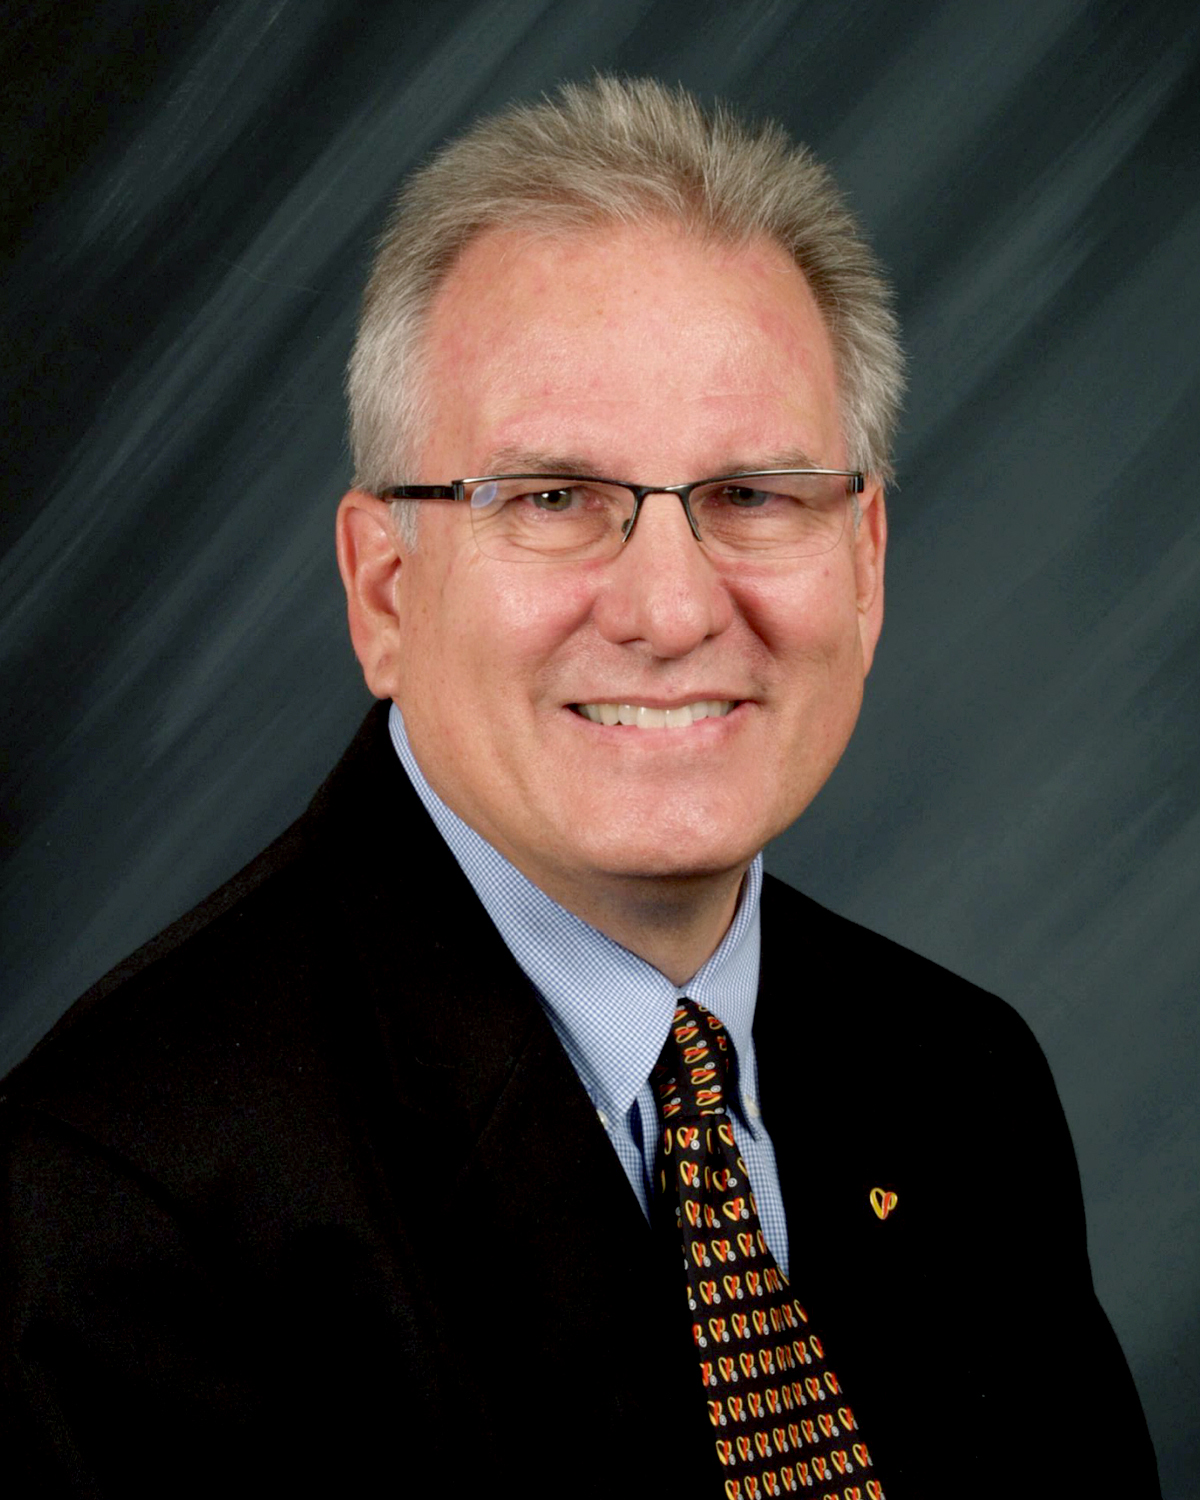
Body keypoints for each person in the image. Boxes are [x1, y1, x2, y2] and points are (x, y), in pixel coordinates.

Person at [0, 78, 1158, 1499]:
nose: (672, 610)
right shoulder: (119, 1210)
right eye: (552, 498)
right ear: (385, 589)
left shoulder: (963, 1080)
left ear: (864, 568)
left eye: (753, 494)